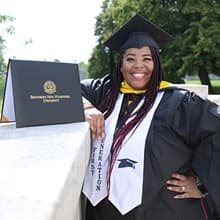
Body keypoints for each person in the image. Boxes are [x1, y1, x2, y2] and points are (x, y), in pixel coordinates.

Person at [81, 14, 220, 220]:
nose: (139, 66)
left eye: (147, 59)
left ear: (157, 64)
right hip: (106, 212)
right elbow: (65, 91)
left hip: (163, 211)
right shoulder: (106, 93)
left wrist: (201, 183)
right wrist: (86, 107)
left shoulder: (181, 103)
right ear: (121, 65)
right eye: (130, 59)